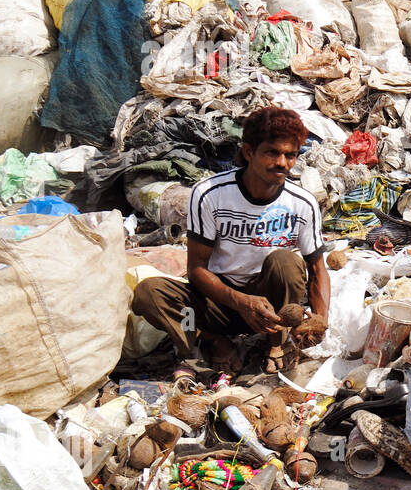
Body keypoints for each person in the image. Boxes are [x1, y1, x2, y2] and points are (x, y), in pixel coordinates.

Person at [131, 107, 330, 379]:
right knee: (149, 293)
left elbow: (317, 269)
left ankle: (276, 344)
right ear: (249, 152)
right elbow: (197, 270)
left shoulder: (301, 203)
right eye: (272, 152)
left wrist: (319, 321)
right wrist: (240, 302)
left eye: (290, 155)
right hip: (218, 302)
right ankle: (213, 340)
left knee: (286, 261)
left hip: (272, 308)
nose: (282, 162)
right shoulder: (210, 195)